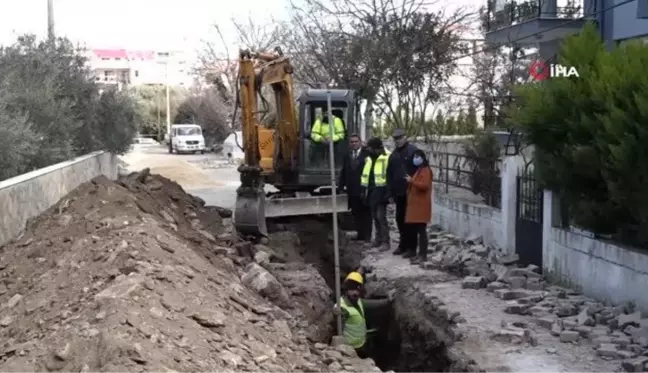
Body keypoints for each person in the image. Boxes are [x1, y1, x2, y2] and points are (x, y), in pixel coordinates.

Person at [333, 271, 392, 358]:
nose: (355, 293)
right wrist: (335, 314)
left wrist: (388, 300)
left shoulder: (359, 301)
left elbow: (375, 304)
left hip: (362, 343)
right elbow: (337, 326)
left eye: (358, 289)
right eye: (352, 289)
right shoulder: (342, 307)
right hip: (351, 349)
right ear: (346, 289)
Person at [387, 128, 419, 257]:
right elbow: (389, 174)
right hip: (398, 193)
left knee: (410, 221)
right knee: (400, 220)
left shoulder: (413, 151)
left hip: (411, 192)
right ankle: (403, 245)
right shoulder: (394, 154)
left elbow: (421, 171)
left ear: (405, 137)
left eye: (400, 138)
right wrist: (390, 193)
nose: (398, 141)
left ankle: (412, 249)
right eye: (395, 139)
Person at [339, 134, 372, 243]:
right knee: (356, 213)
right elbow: (344, 172)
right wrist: (341, 186)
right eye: (352, 142)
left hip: (363, 189)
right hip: (351, 189)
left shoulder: (367, 155)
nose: (354, 144)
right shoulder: (347, 155)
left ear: (360, 142)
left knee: (366, 213)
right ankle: (360, 234)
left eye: (356, 141)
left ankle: (367, 236)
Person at [361, 137, 391, 251]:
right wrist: (363, 189)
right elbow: (366, 173)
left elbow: (390, 175)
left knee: (381, 216)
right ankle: (378, 239)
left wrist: (388, 193)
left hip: (382, 190)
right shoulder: (369, 157)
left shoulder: (387, 157)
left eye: (370, 148)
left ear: (376, 148)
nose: (368, 149)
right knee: (375, 216)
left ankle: (385, 242)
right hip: (372, 190)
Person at [404, 149, 433, 264]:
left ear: (422, 157)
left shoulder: (426, 170)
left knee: (422, 231)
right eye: (414, 156)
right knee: (416, 230)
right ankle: (419, 254)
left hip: (421, 206)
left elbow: (424, 185)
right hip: (416, 206)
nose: (415, 159)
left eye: (417, 156)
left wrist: (411, 181)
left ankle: (423, 255)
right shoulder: (419, 170)